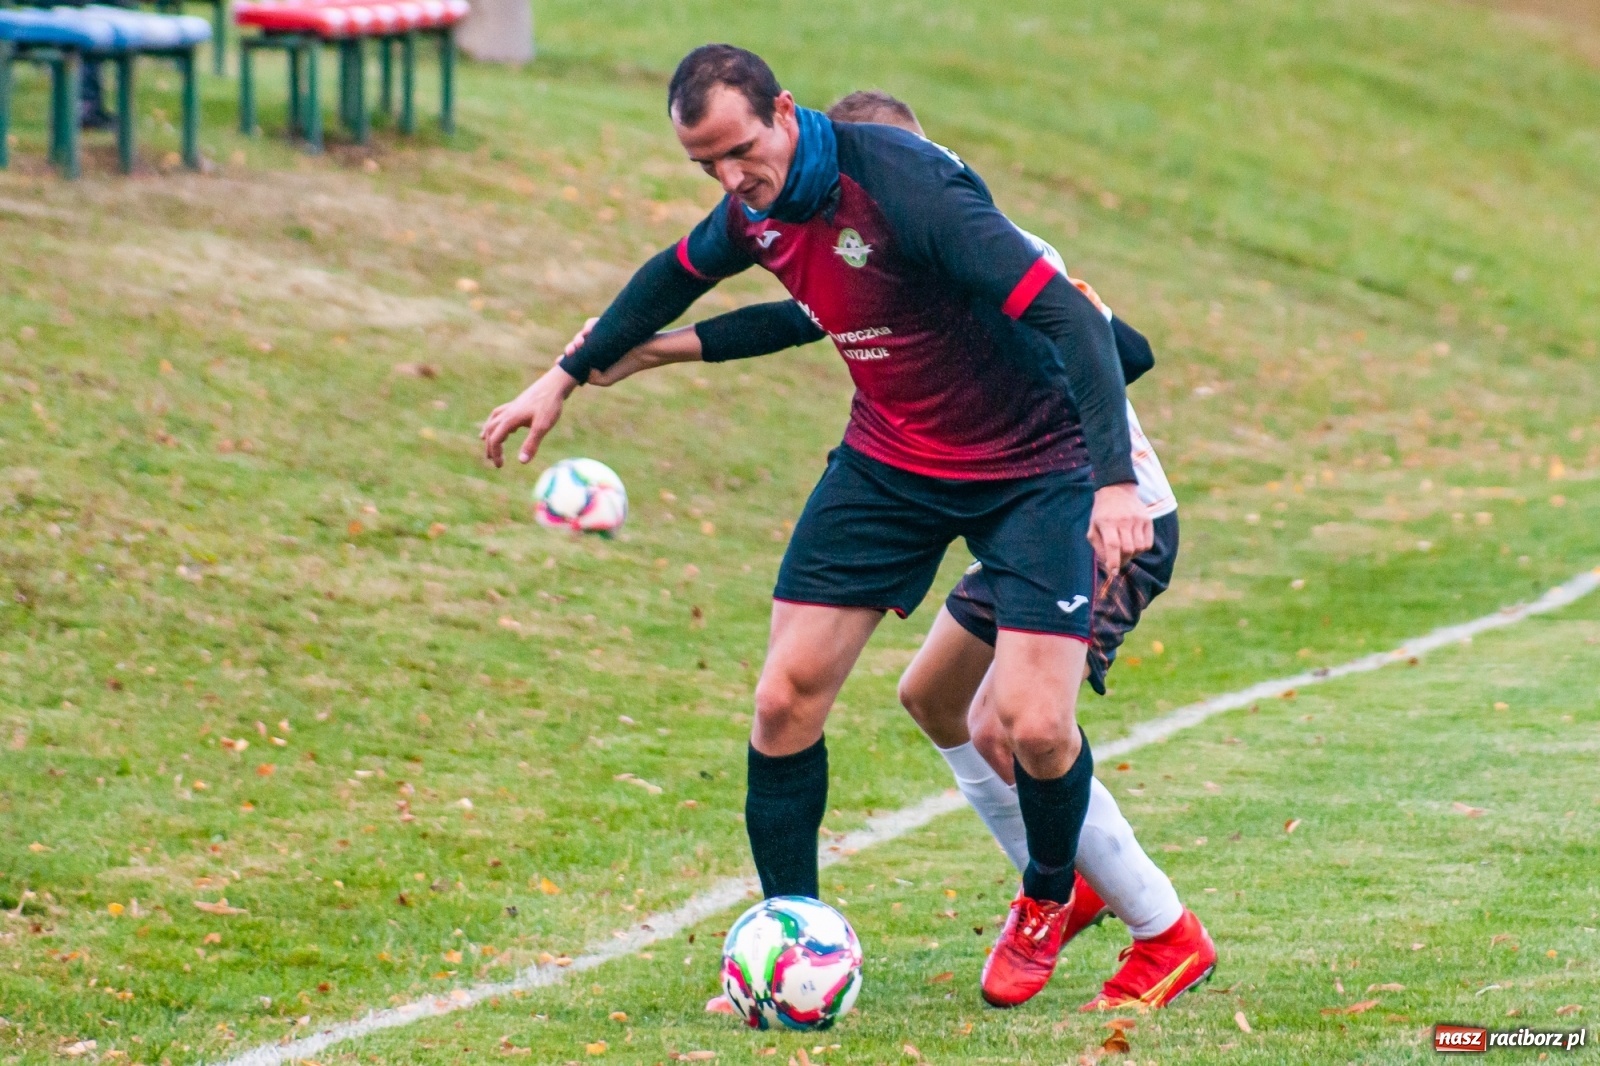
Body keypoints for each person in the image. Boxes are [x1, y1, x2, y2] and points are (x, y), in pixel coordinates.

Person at [482, 45, 1151, 1009]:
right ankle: (788, 931)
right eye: (705, 166)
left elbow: (1076, 323)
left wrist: (1115, 486)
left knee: (1038, 728)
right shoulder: (758, 207)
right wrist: (562, 375)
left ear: (785, 112)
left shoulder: (909, 189)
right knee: (783, 699)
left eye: (739, 152)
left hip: (1034, 467)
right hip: (892, 463)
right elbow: (670, 277)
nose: (728, 180)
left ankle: (1049, 894)